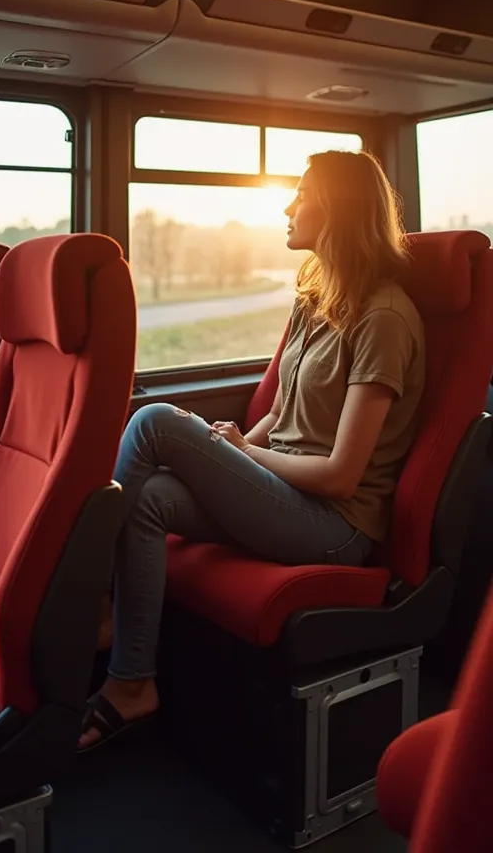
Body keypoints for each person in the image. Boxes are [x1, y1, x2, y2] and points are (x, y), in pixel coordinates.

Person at [80, 149, 426, 752]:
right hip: (283, 495)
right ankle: (133, 682)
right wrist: (238, 445)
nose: (288, 206)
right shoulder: (315, 297)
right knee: (152, 498)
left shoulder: (386, 318)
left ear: (339, 209)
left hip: (332, 524)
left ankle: (95, 601)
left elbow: (343, 476)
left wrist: (241, 454)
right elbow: (279, 412)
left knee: (155, 420)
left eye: (303, 192)